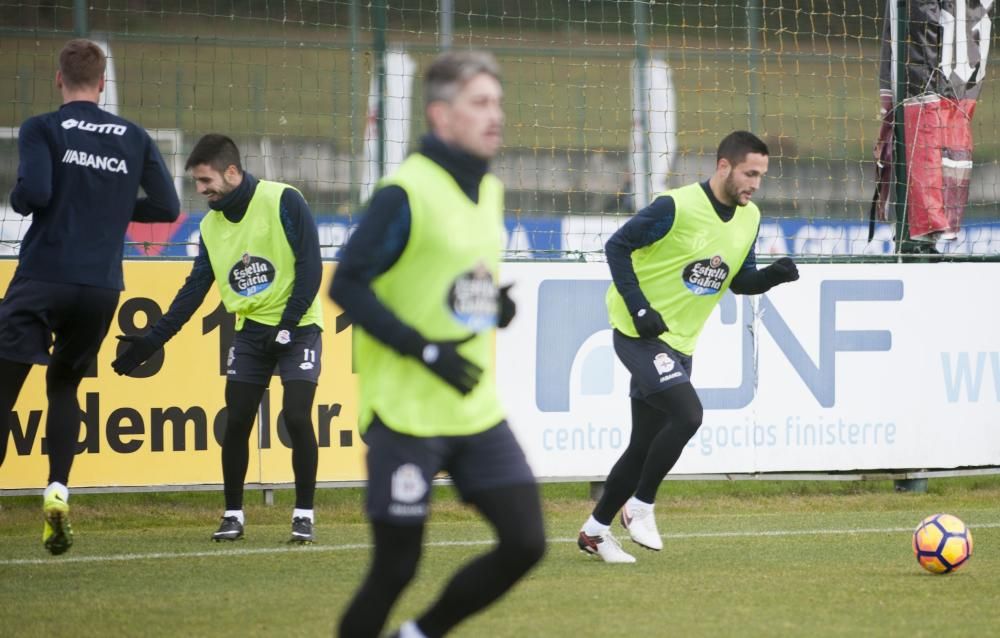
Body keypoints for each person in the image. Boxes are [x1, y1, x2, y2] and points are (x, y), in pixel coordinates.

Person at [330, 50, 546, 638]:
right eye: (479, 103)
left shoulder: (491, 190)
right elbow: (346, 285)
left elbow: (450, 278)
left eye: (497, 102)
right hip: (406, 414)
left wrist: (490, 302)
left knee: (527, 543)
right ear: (441, 116)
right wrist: (425, 349)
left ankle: (419, 635)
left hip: (474, 411)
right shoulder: (405, 192)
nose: (495, 115)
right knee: (396, 568)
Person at [577, 131, 800, 563]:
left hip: (680, 343)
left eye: (761, 176)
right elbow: (617, 246)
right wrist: (639, 308)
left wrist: (774, 275)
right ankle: (640, 506)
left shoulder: (750, 217)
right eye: (749, 173)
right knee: (688, 414)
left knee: (643, 445)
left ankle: (594, 532)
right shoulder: (674, 206)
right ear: (723, 166)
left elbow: (739, 281)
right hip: (638, 334)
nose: (755, 183)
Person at [0, 39, 180, 555]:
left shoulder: (43, 127)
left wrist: (19, 195)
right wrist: (113, 208)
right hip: (100, 287)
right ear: (103, 83)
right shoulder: (134, 136)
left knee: (4, 394)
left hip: (44, 277)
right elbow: (167, 207)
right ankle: (57, 489)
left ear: (59, 78)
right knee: (65, 390)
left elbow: (33, 195)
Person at [111, 134, 324, 544]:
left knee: (297, 416)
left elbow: (311, 268)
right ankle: (233, 515)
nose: (201, 190)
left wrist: (287, 323)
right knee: (237, 421)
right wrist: (151, 342)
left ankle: (303, 515)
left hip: (298, 327)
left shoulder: (284, 199)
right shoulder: (210, 226)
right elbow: (193, 293)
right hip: (250, 332)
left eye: (206, 180)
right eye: (197, 182)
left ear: (231, 172)